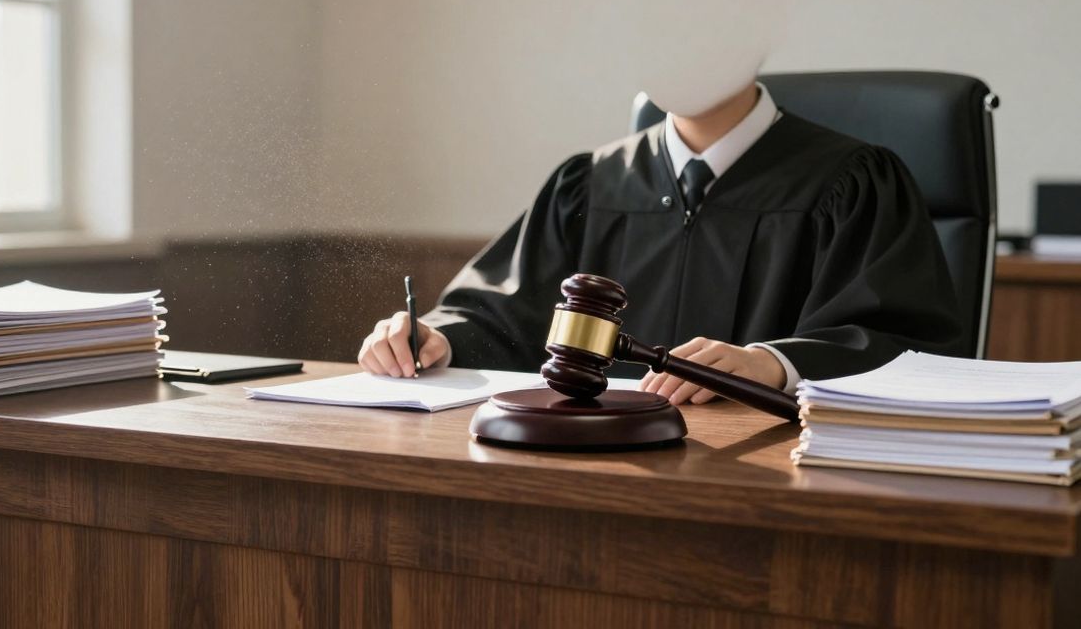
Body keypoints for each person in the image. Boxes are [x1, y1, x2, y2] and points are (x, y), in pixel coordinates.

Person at [356, 78, 962, 405]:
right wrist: (434, 339)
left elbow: (901, 344)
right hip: (591, 475)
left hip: (771, 490)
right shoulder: (587, 184)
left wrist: (770, 365)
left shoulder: (855, 182)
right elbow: (503, 318)